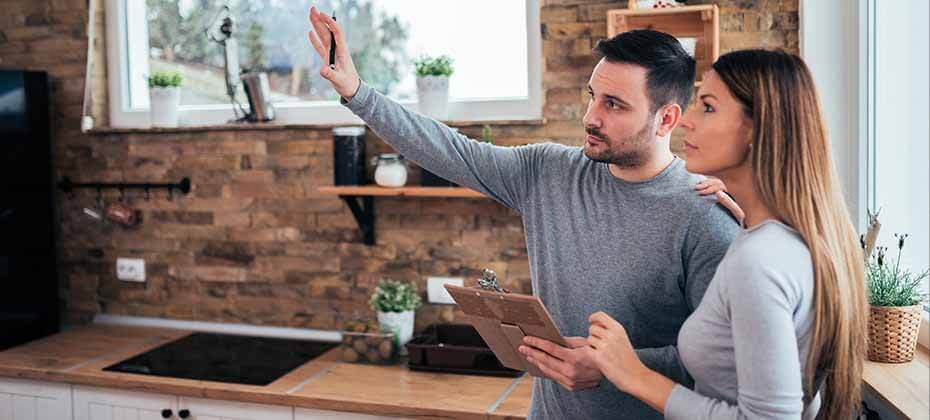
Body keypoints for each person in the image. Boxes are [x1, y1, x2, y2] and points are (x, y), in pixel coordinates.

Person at [307, 7, 741, 419]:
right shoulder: (548, 172)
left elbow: (727, 360)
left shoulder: (704, 215)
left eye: (614, 104)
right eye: (593, 96)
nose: (590, 117)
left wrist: (616, 365)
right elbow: (449, 150)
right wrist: (357, 92)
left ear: (666, 119)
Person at [585, 49, 869, 420]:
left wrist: (634, 375)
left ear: (756, 129)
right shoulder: (784, 239)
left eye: (708, 107)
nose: (686, 121)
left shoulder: (760, 260)